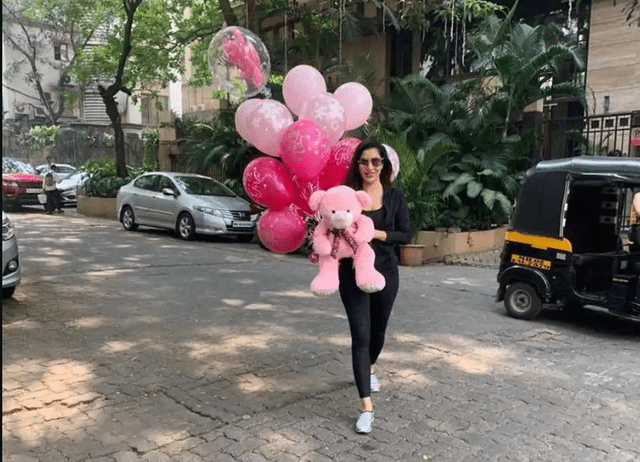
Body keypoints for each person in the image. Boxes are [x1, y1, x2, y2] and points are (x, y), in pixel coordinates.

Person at [339, 139, 411, 434]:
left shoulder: (395, 197)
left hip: (386, 271)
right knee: (361, 334)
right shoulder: (346, 196)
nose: (369, 167)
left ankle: (370, 369)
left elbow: (405, 234)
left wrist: (375, 232)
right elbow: (330, 222)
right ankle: (366, 407)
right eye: (364, 162)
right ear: (357, 165)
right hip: (352, 272)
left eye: (375, 162)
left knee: (378, 331)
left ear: (384, 165)